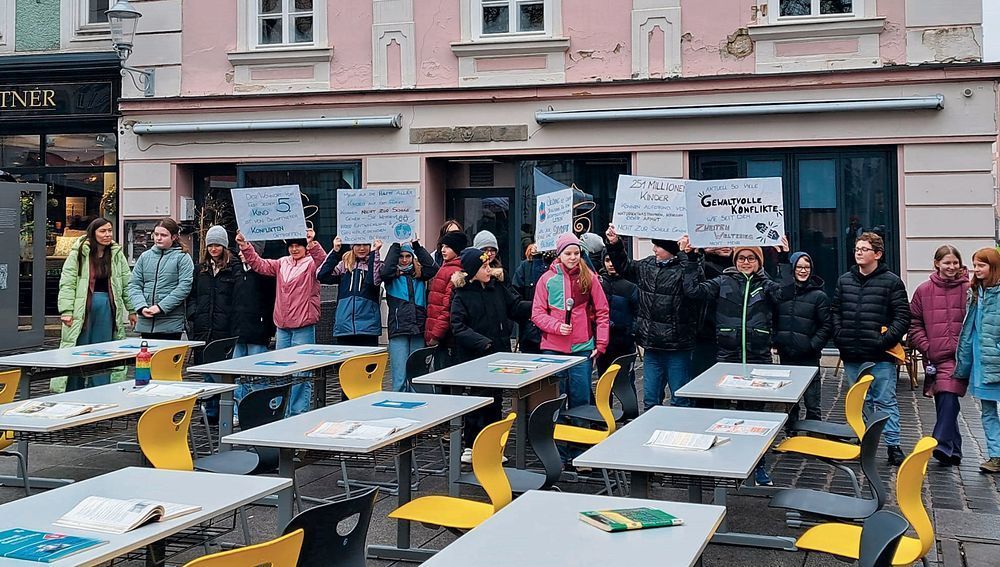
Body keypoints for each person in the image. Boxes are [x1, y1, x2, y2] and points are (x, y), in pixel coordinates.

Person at [685, 236, 790, 486]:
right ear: (735, 260)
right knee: (723, 416)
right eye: (741, 257)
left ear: (758, 261)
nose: (745, 262)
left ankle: (758, 464)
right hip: (727, 358)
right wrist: (689, 259)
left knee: (755, 418)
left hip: (757, 358)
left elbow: (786, 293)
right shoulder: (723, 281)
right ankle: (724, 463)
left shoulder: (766, 284)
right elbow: (693, 291)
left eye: (751, 258)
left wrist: (784, 259)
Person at [831, 232, 910, 466]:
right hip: (852, 354)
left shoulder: (892, 281)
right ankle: (864, 440)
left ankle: (893, 445)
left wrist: (884, 341)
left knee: (885, 401)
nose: (859, 252)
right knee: (859, 401)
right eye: (857, 248)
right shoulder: (845, 280)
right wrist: (839, 336)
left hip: (880, 356)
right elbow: (835, 311)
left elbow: (903, 317)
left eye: (864, 249)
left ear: (877, 254)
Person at [606, 225, 701, 410]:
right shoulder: (647, 265)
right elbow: (624, 267)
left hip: (677, 346)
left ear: (671, 249)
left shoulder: (687, 267)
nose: (654, 249)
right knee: (650, 398)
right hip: (652, 345)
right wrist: (615, 243)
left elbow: (693, 289)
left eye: (658, 246)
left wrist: (686, 256)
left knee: (680, 399)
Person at [451, 247, 530, 461]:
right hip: (475, 357)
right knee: (477, 401)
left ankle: (493, 444)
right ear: (472, 271)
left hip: (499, 354)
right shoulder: (462, 295)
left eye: (488, 266)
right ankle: (471, 444)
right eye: (484, 267)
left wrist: (537, 307)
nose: (489, 270)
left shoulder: (497, 288)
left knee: (495, 400)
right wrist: (483, 343)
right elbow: (458, 327)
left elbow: (514, 307)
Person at [236, 229, 326, 416]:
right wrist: (245, 246)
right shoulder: (281, 263)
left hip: (303, 325)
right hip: (282, 327)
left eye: (298, 246)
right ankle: (283, 411)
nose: (294, 249)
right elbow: (259, 264)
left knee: (302, 372)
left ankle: (298, 412)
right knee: (282, 371)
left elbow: (324, 263)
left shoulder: (311, 264)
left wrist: (312, 244)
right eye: (291, 246)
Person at [55, 218, 136, 392]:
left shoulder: (115, 253)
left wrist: (132, 309)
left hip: (107, 306)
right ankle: (73, 391)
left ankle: (101, 389)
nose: (107, 235)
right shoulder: (79, 252)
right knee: (79, 348)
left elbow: (127, 281)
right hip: (82, 308)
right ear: (93, 233)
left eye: (109, 231)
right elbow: (67, 282)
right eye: (102, 231)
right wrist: (67, 310)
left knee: (103, 348)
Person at [531, 233, 610, 410]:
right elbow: (537, 313)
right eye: (568, 254)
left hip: (582, 347)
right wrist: (557, 327)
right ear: (559, 254)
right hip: (553, 348)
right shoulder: (546, 280)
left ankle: (579, 432)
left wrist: (601, 343)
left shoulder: (589, 277)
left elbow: (602, 311)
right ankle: (555, 433)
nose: (573, 257)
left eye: (576, 253)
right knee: (554, 398)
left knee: (581, 397)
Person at [910, 245, 969, 466]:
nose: (951, 267)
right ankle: (953, 451)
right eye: (947, 262)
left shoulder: (970, 289)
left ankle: (940, 442)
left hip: (960, 356)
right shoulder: (923, 290)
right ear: (937, 264)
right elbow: (914, 323)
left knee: (948, 393)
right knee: (945, 398)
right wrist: (927, 347)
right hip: (935, 356)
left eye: (955, 262)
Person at [955, 247, 1000, 474]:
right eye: (975, 264)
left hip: (996, 360)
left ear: (993, 267)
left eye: (981, 265)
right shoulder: (974, 291)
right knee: (988, 410)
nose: (976, 269)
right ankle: (996, 455)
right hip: (981, 361)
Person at [774, 251, 832, 427]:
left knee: (812, 402)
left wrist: (812, 345)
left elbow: (827, 325)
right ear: (792, 269)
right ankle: (791, 432)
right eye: (799, 267)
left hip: (808, 356)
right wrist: (776, 340)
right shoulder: (782, 294)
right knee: (790, 401)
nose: (803, 271)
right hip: (787, 354)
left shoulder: (818, 296)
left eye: (807, 267)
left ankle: (815, 434)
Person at [187, 226, 238, 422]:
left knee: (222, 372)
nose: (213, 249)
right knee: (206, 371)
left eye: (217, 245)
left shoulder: (232, 269)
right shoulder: (201, 269)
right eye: (210, 245)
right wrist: (194, 314)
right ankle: (210, 412)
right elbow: (192, 295)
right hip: (203, 326)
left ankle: (222, 410)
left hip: (224, 327)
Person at [381, 240, 437, 392]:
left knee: (417, 376)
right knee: (399, 378)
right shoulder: (391, 276)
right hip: (399, 330)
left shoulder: (419, 274)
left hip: (418, 330)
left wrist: (417, 246)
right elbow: (385, 271)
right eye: (401, 256)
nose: (404, 260)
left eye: (408, 256)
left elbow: (433, 268)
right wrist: (395, 246)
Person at [231, 242, 277, 420]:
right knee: (236, 374)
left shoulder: (265, 274)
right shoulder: (236, 272)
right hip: (238, 331)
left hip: (258, 331)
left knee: (258, 374)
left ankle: (260, 409)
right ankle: (237, 411)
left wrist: (269, 328)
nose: (241, 254)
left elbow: (271, 301)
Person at [127, 218, 194, 340]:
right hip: (146, 321)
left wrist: (160, 307)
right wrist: (141, 307)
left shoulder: (183, 257)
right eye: (156, 234)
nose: (158, 238)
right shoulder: (145, 257)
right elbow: (134, 284)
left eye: (163, 235)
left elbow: (184, 287)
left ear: (173, 237)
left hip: (170, 323)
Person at [317, 238, 383, 346]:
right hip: (344, 326)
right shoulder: (344, 265)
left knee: (366, 362)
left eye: (365, 244)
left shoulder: (377, 263)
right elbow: (322, 275)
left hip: (368, 328)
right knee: (346, 362)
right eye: (357, 245)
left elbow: (373, 282)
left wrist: (375, 253)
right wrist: (335, 251)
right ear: (352, 247)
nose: (362, 248)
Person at [597, 248, 639, 394]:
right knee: (604, 381)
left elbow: (638, 312)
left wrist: (632, 331)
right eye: (607, 260)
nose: (611, 264)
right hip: (604, 341)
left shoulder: (630, 285)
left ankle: (629, 414)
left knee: (626, 381)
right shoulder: (599, 283)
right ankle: (604, 412)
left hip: (624, 341)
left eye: (613, 260)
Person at [425, 230, 469, 368]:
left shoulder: (455, 272)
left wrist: (436, 334)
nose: (443, 250)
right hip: (441, 333)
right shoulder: (446, 267)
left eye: (448, 247)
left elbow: (447, 308)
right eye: (442, 246)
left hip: (446, 336)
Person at [691, 247, 732, 377]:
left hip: (733, 336)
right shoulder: (701, 265)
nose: (726, 245)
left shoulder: (743, 265)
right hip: (706, 333)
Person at [511, 243, 550, 354]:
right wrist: (536, 309)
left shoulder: (559, 266)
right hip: (531, 336)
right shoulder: (525, 268)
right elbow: (514, 303)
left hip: (555, 335)